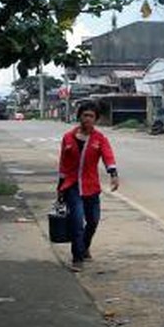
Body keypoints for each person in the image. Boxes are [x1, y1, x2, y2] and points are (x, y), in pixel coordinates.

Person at [56, 100, 119, 270]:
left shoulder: (99, 139)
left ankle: (84, 247)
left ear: (96, 119)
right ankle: (77, 258)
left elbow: (108, 156)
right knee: (76, 221)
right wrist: (60, 189)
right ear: (79, 117)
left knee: (93, 221)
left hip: (91, 186)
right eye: (85, 115)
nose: (88, 119)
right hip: (72, 185)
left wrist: (113, 174)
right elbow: (63, 163)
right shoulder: (68, 138)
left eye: (91, 116)